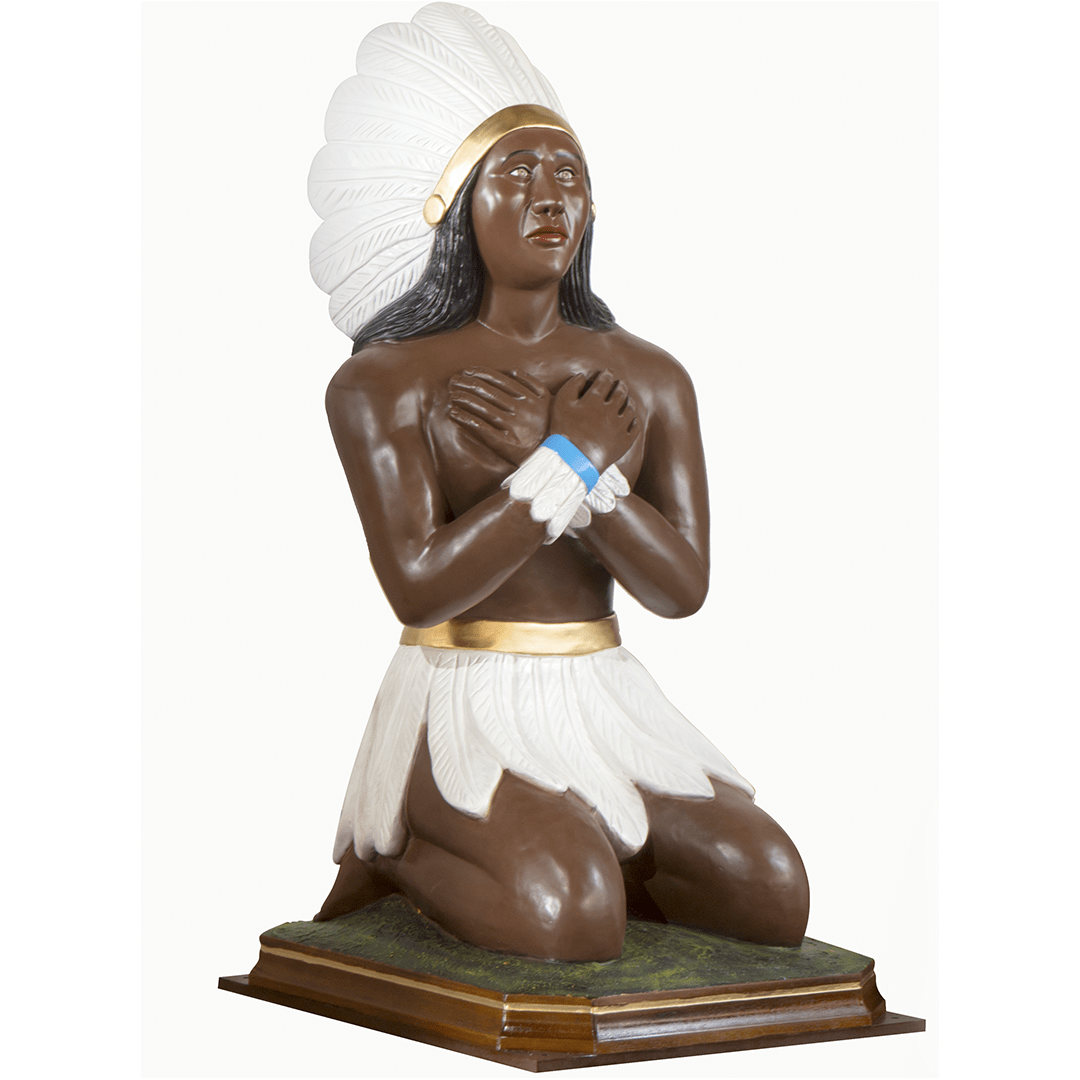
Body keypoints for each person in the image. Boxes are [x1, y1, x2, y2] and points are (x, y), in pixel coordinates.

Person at [308, 4, 809, 963]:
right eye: (516, 175)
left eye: (568, 176)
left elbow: (681, 587)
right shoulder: (386, 382)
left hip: (604, 689)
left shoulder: (649, 376)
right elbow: (418, 586)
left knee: (771, 890)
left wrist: (581, 474)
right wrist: (566, 462)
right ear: (455, 205)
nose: (549, 197)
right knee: (569, 918)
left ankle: (587, 854)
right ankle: (404, 852)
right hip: (462, 697)